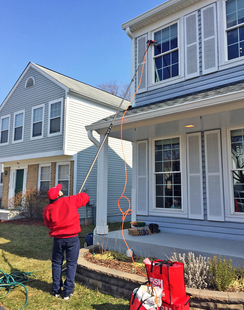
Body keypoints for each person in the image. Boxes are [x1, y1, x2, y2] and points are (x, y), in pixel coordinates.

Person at [43, 184, 89, 300]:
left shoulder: (48, 209)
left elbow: (49, 224)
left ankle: (56, 290)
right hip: (72, 238)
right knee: (71, 264)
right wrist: (79, 195)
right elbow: (85, 197)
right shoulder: (71, 200)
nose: (61, 190)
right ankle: (67, 292)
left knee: (57, 263)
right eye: (59, 190)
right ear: (59, 194)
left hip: (58, 240)